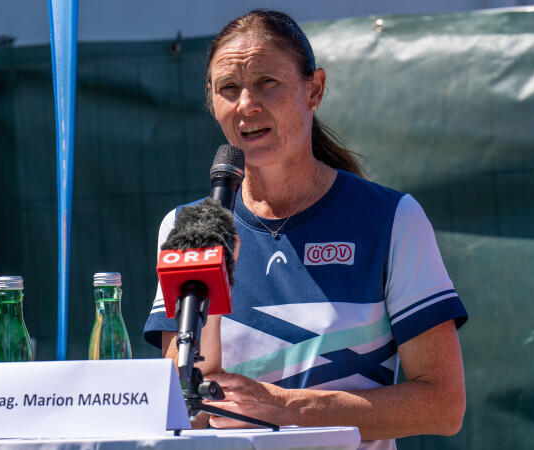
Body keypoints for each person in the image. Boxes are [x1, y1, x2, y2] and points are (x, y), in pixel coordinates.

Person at [143, 9, 468, 450]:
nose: (246, 105)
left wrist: (286, 408)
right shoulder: (186, 227)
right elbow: (184, 409)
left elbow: (443, 405)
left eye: (267, 83)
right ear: (212, 102)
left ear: (314, 89)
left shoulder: (392, 218)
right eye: (229, 89)